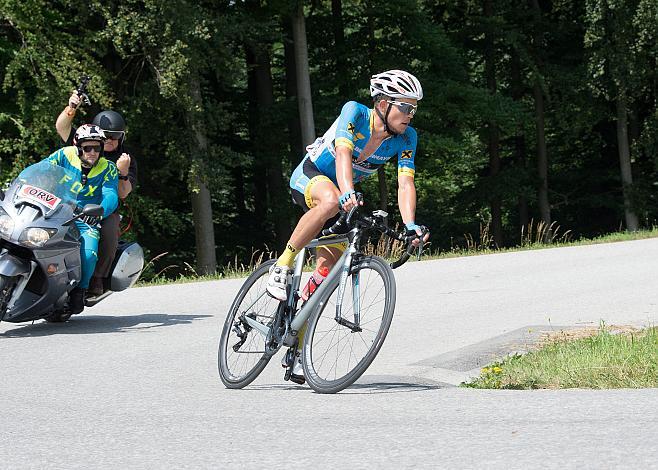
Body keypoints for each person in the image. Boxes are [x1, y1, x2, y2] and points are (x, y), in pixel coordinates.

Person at [268, 70, 430, 381]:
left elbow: (405, 183)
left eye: (414, 109)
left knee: (326, 274)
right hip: (313, 176)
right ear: (383, 104)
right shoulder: (355, 112)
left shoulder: (407, 138)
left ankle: (296, 349)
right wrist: (346, 193)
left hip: (346, 190)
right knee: (328, 201)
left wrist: (410, 224)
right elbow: (343, 154)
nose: (410, 115)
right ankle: (283, 265)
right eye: (405, 107)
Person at [56, 93, 138, 296]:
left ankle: (97, 277)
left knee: (110, 231)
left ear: (122, 137)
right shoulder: (85, 144)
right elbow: (62, 128)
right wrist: (71, 107)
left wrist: (123, 173)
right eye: (105, 136)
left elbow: (123, 194)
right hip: (68, 202)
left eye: (115, 137)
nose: (109, 141)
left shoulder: (124, 159)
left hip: (101, 208)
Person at [42, 125, 119, 313]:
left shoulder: (108, 168)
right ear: (78, 147)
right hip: (55, 210)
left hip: (85, 217)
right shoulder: (64, 155)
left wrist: (99, 212)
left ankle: (80, 290)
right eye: (87, 148)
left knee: (89, 253)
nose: (92, 153)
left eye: (97, 148)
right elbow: (42, 169)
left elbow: (111, 195)